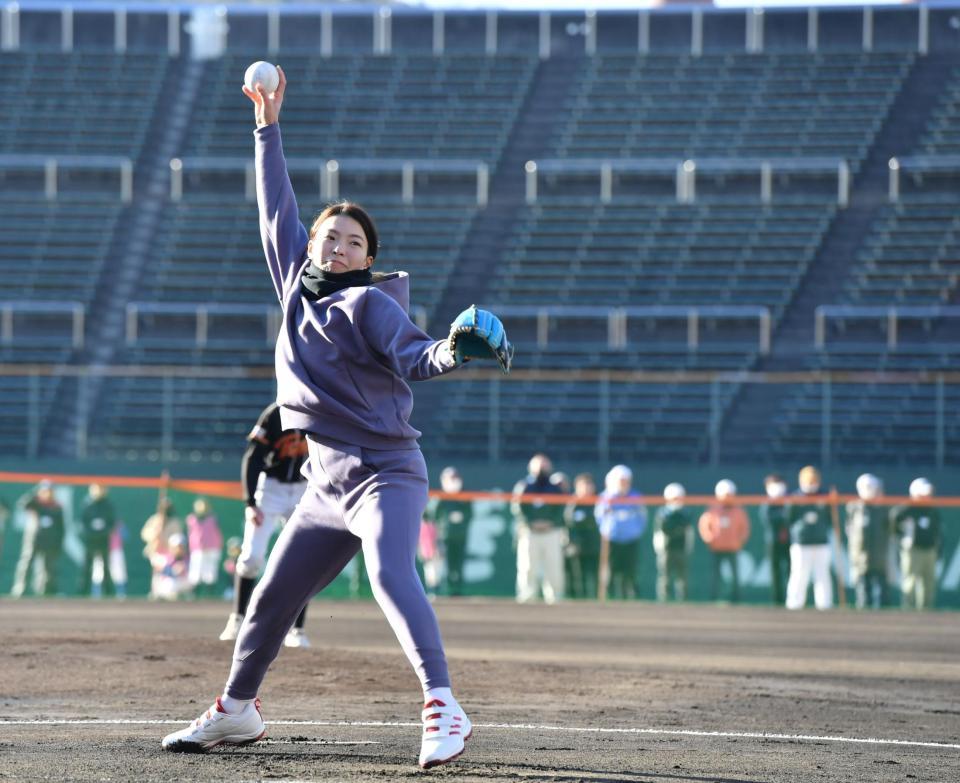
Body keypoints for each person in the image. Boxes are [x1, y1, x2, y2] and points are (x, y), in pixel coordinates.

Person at [163, 67, 510, 770]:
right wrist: (266, 125)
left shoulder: (371, 304)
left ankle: (443, 703)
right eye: (330, 235)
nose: (339, 246)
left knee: (388, 572)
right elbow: (274, 206)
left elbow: (417, 355)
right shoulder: (293, 279)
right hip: (325, 483)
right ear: (312, 243)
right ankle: (235, 710)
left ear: (368, 259)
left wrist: (451, 349)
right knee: (269, 600)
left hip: (384, 472)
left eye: (354, 241)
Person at [220, 402, 312, 648]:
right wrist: (250, 502)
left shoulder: (321, 408)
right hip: (270, 489)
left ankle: (297, 629)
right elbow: (253, 457)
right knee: (251, 557)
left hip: (305, 488)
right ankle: (238, 618)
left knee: (302, 561)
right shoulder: (275, 414)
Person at [511, 453, 566, 604]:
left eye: (544, 464)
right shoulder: (524, 486)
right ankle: (527, 596)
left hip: (551, 531)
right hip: (531, 532)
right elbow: (517, 508)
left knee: (553, 566)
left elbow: (561, 508)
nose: (541, 468)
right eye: (538, 465)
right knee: (527, 566)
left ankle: (554, 597)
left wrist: (551, 523)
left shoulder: (555, 487)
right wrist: (530, 523)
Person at [784, 466, 833, 610]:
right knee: (799, 574)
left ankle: (824, 604)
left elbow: (830, 519)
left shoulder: (825, 497)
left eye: (814, 481)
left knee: (822, 574)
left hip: (821, 541)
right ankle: (794, 604)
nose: (811, 484)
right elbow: (789, 518)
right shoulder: (795, 498)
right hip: (801, 542)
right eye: (808, 481)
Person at [595, 465, 646, 600]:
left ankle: (632, 597)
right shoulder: (606, 497)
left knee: (630, 570)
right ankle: (608, 597)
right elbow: (599, 517)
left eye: (626, 480)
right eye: (621, 480)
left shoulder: (635, 497)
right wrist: (607, 531)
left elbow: (642, 517)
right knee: (610, 570)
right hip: (612, 539)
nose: (624, 484)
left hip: (631, 540)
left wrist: (636, 531)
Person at [892, 478, 941, 610]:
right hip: (913, 550)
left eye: (928, 494)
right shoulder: (907, 509)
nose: (927, 496)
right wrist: (903, 539)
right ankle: (908, 610)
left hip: (929, 550)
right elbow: (894, 520)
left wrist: (938, 549)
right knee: (910, 582)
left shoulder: (932, 510)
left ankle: (926, 610)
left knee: (928, 583)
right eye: (924, 494)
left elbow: (937, 531)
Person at [698, 480, 750, 603]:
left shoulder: (738, 510)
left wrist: (739, 541)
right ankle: (714, 597)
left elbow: (744, 527)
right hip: (717, 547)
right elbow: (704, 525)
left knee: (735, 574)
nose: (727, 497)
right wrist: (709, 539)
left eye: (729, 494)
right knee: (715, 575)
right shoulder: (712, 509)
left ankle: (736, 597)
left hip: (732, 547)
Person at [11, 480, 65, 597]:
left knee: (48, 568)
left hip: (50, 541)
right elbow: (22, 504)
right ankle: (20, 589)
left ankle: (47, 591)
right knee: (27, 562)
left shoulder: (56, 506)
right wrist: (35, 493)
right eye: (45, 490)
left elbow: (61, 527)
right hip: (34, 538)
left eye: (50, 491)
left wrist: (59, 543)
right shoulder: (35, 503)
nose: (47, 493)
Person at [845, 474, 891, 610]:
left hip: (879, 555)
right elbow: (850, 530)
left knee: (881, 590)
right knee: (863, 589)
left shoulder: (883, 508)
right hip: (860, 555)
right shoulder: (854, 507)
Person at [429, 466, 473, 597]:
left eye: (456, 477)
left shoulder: (465, 494)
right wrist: (447, 520)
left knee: (458, 564)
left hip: (460, 536)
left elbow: (470, 514)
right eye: (451, 478)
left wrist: (461, 517)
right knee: (444, 564)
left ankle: (457, 590)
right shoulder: (440, 497)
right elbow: (433, 515)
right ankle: (443, 590)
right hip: (444, 537)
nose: (454, 480)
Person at [653, 483, 693, 602]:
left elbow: (689, 532)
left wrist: (688, 547)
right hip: (666, 549)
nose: (677, 501)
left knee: (682, 577)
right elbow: (658, 532)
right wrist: (659, 548)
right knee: (664, 576)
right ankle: (663, 599)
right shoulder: (662, 513)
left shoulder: (686, 513)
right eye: (674, 498)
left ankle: (683, 600)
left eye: (679, 497)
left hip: (681, 549)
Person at [563, 473, 601, 600]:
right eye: (583, 485)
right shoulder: (572, 503)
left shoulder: (598, 502)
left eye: (589, 485)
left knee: (595, 575)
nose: (586, 488)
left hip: (594, 545)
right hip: (577, 546)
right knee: (578, 576)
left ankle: (596, 600)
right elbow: (568, 522)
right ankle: (579, 602)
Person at [78, 483, 117, 597]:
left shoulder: (108, 505)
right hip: (90, 540)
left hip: (104, 540)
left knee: (106, 567)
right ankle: (83, 593)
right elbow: (82, 522)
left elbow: (112, 522)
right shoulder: (87, 504)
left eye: (101, 489)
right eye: (96, 489)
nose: (98, 491)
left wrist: (104, 532)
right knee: (86, 567)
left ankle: (108, 593)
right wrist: (91, 533)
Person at [141, 499, 182, 600]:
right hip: (155, 551)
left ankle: (168, 592)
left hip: (169, 553)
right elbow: (144, 533)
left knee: (168, 571)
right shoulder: (155, 520)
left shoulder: (175, 522)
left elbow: (177, 537)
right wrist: (155, 533)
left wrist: (167, 540)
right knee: (157, 571)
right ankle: (155, 592)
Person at [760, 474, 791, 605]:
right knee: (775, 571)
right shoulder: (767, 503)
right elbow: (768, 519)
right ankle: (777, 600)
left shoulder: (789, 501)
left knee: (792, 571)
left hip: (790, 541)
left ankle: (791, 599)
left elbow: (791, 518)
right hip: (773, 541)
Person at [186, 498, 223, 598]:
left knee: (210, 571)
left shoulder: (213, 519)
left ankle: (210, 595)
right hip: (198, 549)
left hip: (212, 549)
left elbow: (217, 533)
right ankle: (193, 594)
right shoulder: (192, 519)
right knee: (196, 571)